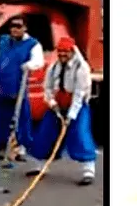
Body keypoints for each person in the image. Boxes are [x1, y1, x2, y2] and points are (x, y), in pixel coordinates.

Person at [27, 37, 97, 186]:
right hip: (58, 105)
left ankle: (88, 169)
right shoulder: (53, 67)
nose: (63, 55)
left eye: (66, 52)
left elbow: (80, 93)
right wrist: (52, 104)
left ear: (72, 52)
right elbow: (47, 88)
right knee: (45, 133)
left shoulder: (81, 69)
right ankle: (40, 165)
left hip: (76, 105)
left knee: (80, 134)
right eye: (60, 52)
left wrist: (71, 115)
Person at [0, 14, 45, 160]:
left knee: (20, 116)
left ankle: (20, 147)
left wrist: (29, 65)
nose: (14, 29)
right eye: (12, 26)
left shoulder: (32, 44)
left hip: (18, 84)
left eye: (18, 26)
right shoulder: (4, 41)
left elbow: (39, 61)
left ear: (25, 27)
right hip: (1, 83)